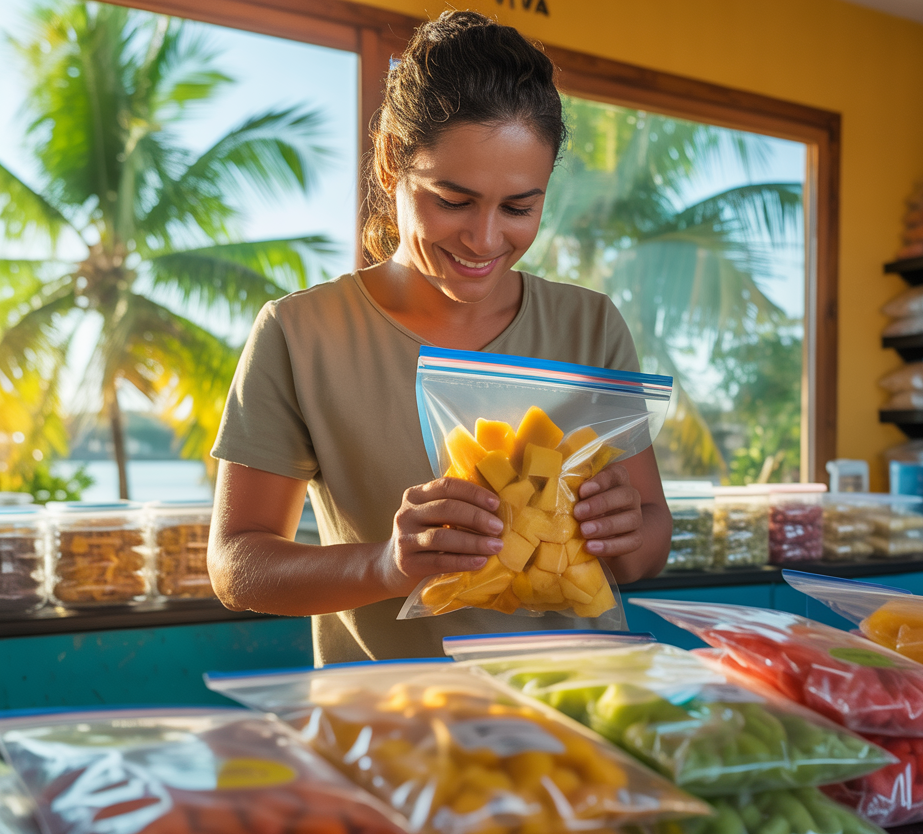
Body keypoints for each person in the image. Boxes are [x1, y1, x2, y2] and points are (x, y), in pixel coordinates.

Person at [207, 10, 673, 663]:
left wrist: (625, 533)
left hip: (579, 717)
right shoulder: (300, 334)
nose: (484, 240)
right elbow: (235, 565)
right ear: (393, 159)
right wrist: (386, 565)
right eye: (453, 200)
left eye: (519, 207)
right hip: (394, 729)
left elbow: (647, 543)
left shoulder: (590, 324)